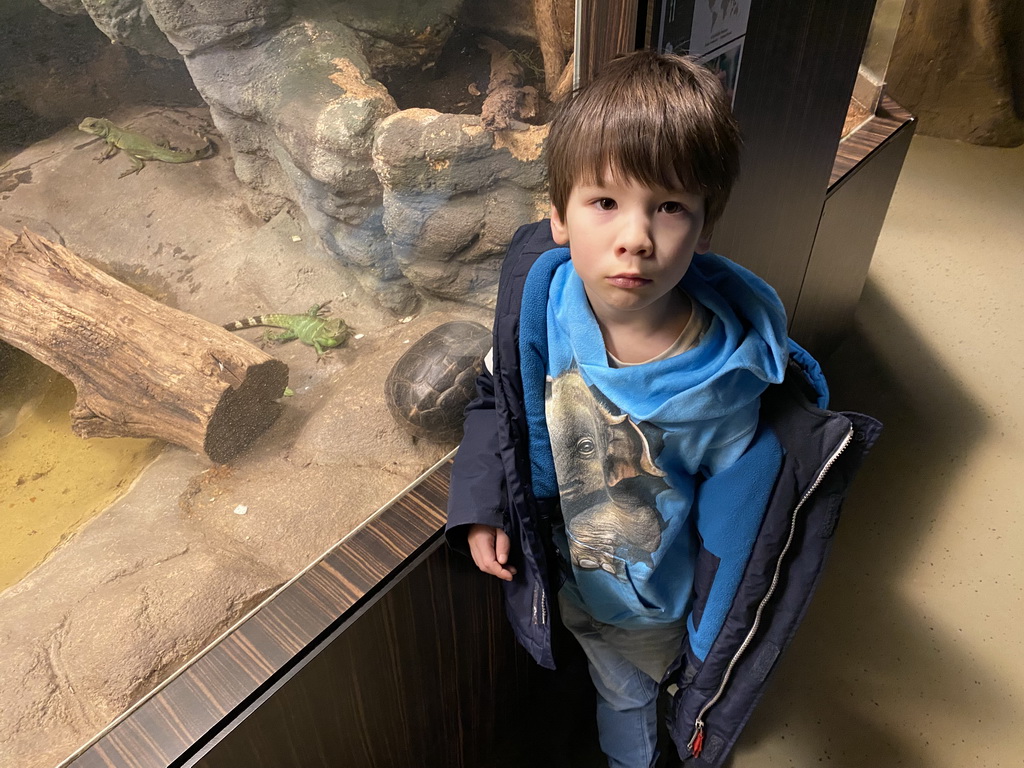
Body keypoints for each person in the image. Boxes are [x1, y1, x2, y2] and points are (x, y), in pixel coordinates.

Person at [445, 49, 880, 768]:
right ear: (558, 214)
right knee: (590, 676)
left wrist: (709, 658)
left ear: (705, 227)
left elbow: (737, 533)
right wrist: (482, 499)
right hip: (555, 564)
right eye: (605, 202)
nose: (635, 237)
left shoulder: (729, 380)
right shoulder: (539, 308)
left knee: (626, 702)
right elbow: (500, 397)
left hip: (648, 610)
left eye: (670, 206)